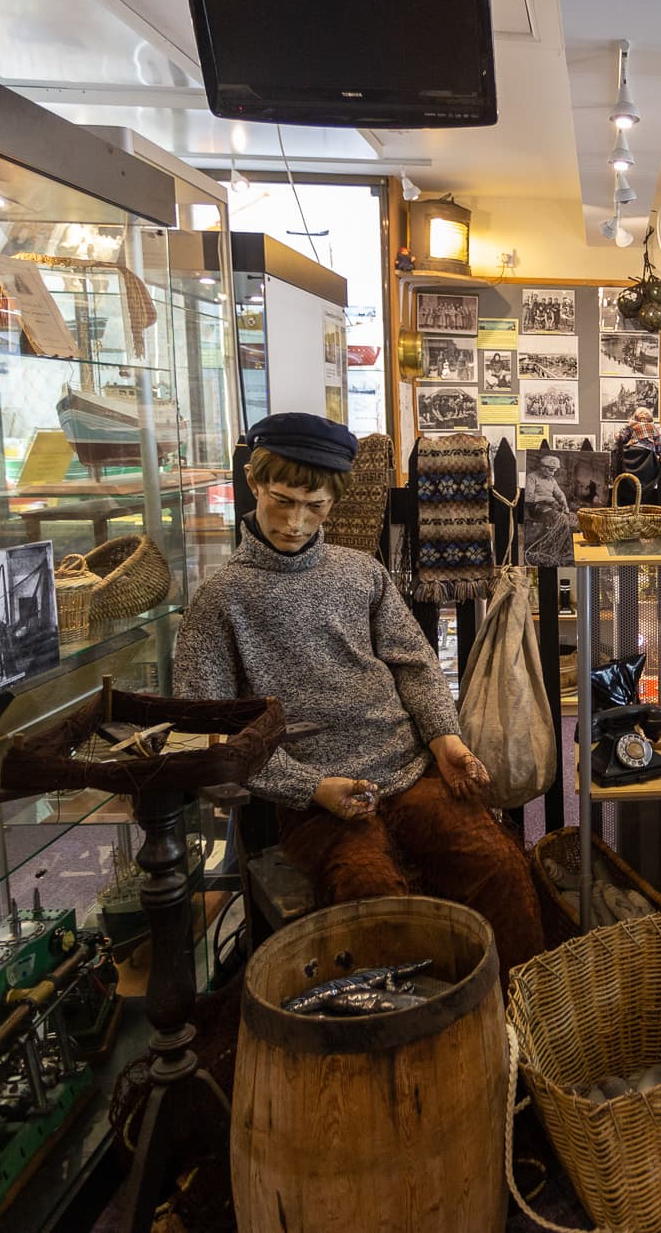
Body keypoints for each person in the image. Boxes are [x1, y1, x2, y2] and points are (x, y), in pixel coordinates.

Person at [174, 412, 544, 975]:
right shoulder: (220, 599)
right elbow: (214, 733)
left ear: (333, 501)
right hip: (315, 795)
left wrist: (445, 740)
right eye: (282, 500)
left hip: (407, 768)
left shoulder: (361, 574)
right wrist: (308, 787)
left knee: (500, 866)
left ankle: (522, 1018)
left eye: (315, 506)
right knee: (370, 897)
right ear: (253, 482)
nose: (296, 522)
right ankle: (395, 1043)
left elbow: (415, 665)